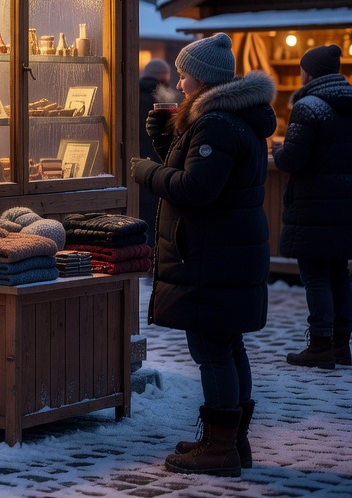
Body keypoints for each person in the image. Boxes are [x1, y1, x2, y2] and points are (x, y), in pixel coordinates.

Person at [129, 32, 275, 478]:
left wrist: (145, 170)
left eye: (185, 71)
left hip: (212, 253)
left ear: (204, 78)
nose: (179, 78)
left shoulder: (216, 124)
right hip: (225, 250)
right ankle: (230, 440)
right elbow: (197, 172)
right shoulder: (227, 119)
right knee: (227, 344)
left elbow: (196, 189)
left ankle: (220, 447)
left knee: (212, 348)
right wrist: (165, 140)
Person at [273, 44, 352, 370]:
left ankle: (319, 345)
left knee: (316, 275)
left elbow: (293, 158)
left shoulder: (309, 107)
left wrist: (277, 151)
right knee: (339, 274)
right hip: (346, 204)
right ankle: (340, 346)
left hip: (315, 206)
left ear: (309, 73)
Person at [137, 58, 178, 245]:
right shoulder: (170, 100)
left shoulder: (128, 95)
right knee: (154, 221)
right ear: (165, 78)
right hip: (160, 168)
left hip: (132, 165)